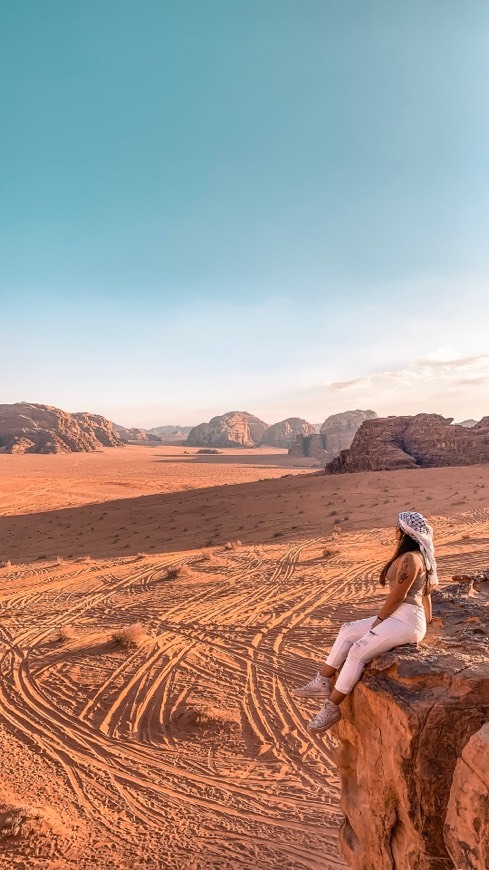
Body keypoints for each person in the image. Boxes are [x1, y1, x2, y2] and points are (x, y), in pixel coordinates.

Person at [295, 510, 438, 734]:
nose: (395, 531)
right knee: (348, 630)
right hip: (400, 617)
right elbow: (426, 592)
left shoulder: (412, 558)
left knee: (358, 650)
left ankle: (332, 707)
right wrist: (428, 619)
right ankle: (322, 680)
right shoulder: (415, 555)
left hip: (407, 620)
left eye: (397, 528)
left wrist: (381, 619)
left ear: (403, 532)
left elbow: (399, 596)